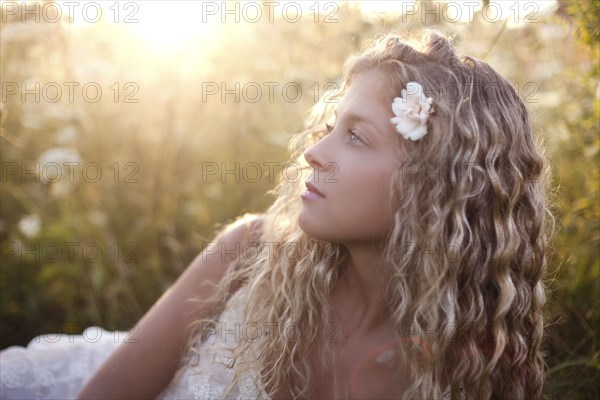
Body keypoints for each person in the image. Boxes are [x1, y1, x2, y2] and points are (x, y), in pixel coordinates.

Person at [0, 29, 552, 400]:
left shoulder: (465, 368)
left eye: (356, 137)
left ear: (436, 182)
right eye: (329, 128)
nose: (314, 152)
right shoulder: (247, 254)